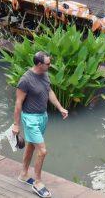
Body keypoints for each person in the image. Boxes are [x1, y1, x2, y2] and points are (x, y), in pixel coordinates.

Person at [13, 51, 68, 197]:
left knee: (31, 145)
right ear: (39, 64)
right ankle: (37, 183)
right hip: (30, 118)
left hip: (42, 117)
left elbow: (49, 91)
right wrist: (16, 124)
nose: (50, 65)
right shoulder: (25, 80)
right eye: (48, 63)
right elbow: (18, 103)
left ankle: (24, 174)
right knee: (42, 151)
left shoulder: (45, 74)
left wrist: (60, 107)